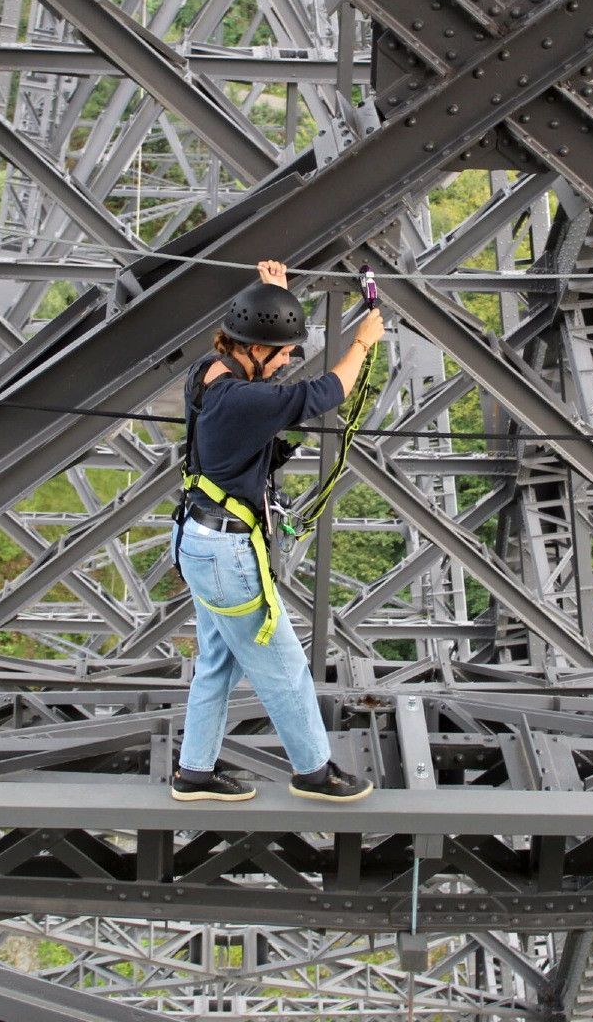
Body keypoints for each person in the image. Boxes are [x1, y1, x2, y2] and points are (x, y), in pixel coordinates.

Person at [168, 260, 385, 803]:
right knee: (285, 667)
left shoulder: (207, 372)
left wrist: (275, 299)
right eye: (284, 352)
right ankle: (314, 772)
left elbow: (274, 379)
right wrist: (363, 340)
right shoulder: (248, 401)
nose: (288, 362)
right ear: (257, 350)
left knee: (217, 662)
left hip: (198, 540)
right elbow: (328, 390)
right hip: (226, 555)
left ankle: (194, 773)